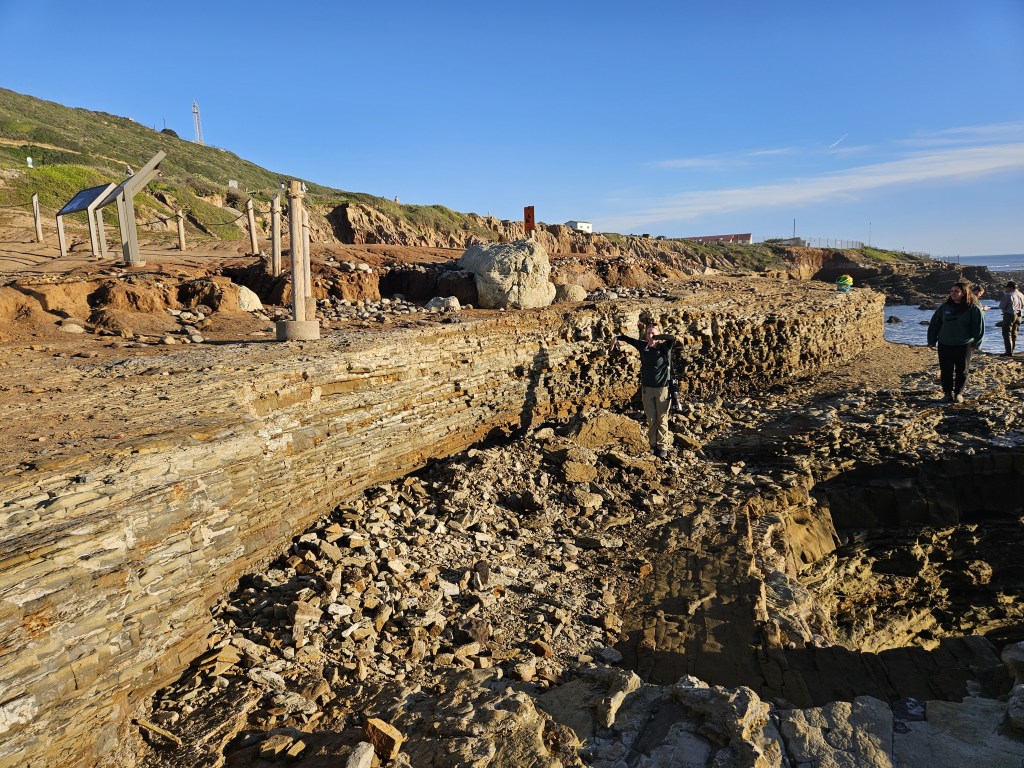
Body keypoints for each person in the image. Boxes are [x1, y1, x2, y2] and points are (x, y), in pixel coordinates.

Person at [609, 320, 677, 458]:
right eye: (648, 333)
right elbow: (628, 339)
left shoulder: (665, 347)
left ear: (659, 334)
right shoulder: (642, 346)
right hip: (647, 389)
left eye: (653, 332)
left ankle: (663, 447)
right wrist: (616, 338)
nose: (650, 335)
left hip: (662, 389)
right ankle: (653, 446)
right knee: (651, 419)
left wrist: (656, 338)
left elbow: (671, 338)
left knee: (662, 419)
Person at [927, 282, 985, 403]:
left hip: (964, 344)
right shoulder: (944, 307)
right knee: (946, 370)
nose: (953, 293)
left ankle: (958, 393)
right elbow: (935, 324)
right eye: (952, 291)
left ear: (964, 293)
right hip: (945, 343)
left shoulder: (972, 308)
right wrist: (931, 340)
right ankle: (947, 394)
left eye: (956, 291)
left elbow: (978, 327)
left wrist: (976, 343)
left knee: (962, 370)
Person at [998, 280, 1024, 356]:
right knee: (1014, 333)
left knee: (1007, 333)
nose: (1006, 289)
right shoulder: (1021, 294)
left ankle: (1008, 352)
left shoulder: (1008, 295)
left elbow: (1001, 306)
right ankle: (1012, 350)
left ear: (1010, 287)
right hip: (1019, 315)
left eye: (1007, 287)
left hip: (1010, 314)